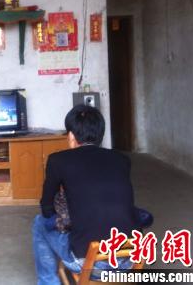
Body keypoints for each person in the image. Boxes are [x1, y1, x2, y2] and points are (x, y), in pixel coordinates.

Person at [32, 105, 141, 285]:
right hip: (128, 260)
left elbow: (46, 208)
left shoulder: (58, 160)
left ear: (71, 136)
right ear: (100, 135)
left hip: (91, 264)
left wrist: (64, 218)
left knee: (40, 223)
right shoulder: (122, 160)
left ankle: (48, 282)